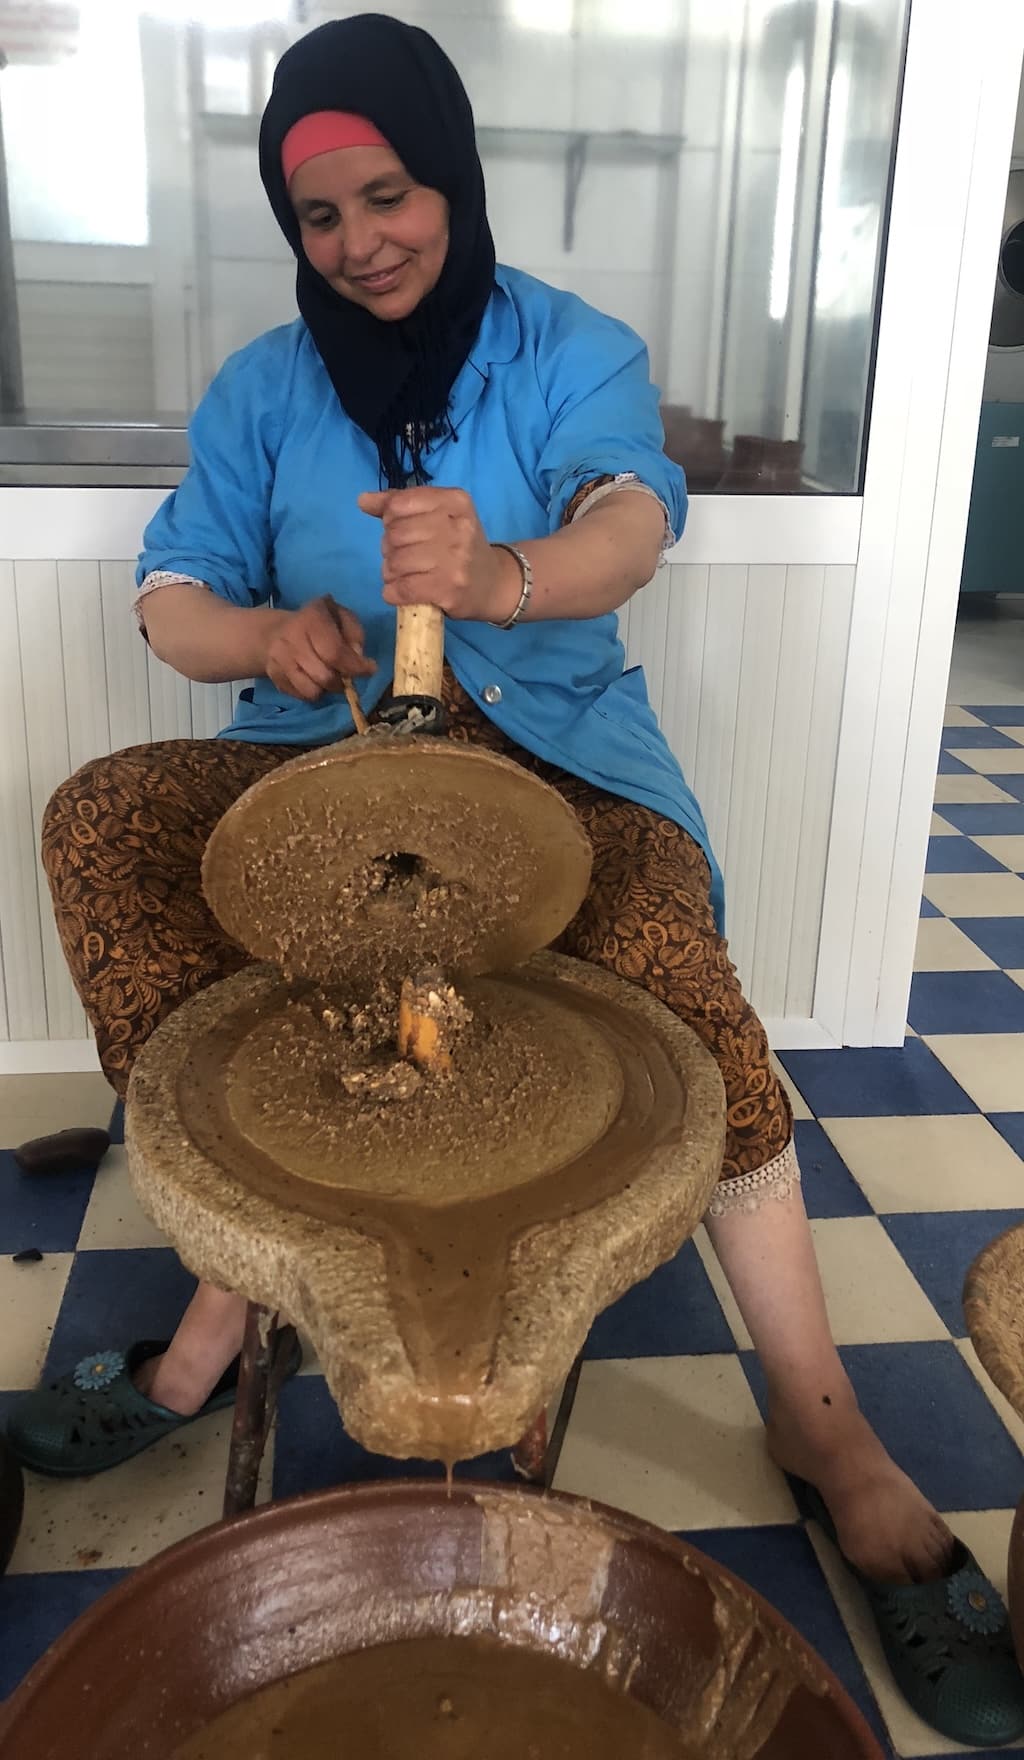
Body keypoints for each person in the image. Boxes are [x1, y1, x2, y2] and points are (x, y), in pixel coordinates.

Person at [8, 15, 1022, 1744]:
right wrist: (266, 630)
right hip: (309, 762)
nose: (360, 243)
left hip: (553, 764)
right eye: (319, 218)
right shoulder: (267, 383)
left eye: (388, 196)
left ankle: (826, 1423)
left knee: (672, 967)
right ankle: (217, 1327)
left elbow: (637, 518)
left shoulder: (570, 350)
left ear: (449, 181)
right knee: (106, 829)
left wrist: (503, 572)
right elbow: (172, 596)